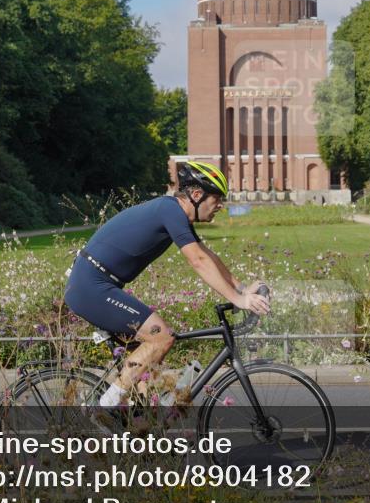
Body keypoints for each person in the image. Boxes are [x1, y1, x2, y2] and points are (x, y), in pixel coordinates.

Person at [64, 162, 270, 408]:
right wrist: (238, 300)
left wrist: (240, 288)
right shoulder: (170, 210)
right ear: (196, 195)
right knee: (162, 337)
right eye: (216, 199)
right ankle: (104, 409)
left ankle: (139, 427)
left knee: (148, 369)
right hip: (91, 286)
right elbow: (198, 260)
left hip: (97, 284)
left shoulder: (174, 213)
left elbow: (208, 255)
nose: (220, 206)